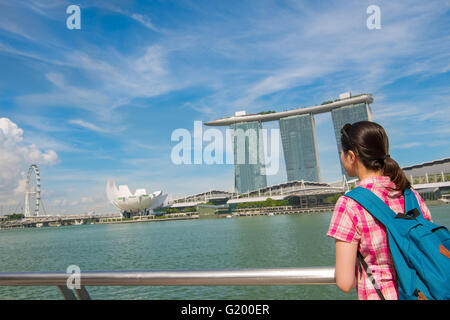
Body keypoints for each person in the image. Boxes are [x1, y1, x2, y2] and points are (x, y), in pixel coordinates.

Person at [327, 121, 433, 300]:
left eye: (342, 153)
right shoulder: (410, 194)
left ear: (351, 156)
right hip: (424, 293)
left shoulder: (349, 203)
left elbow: (345, 282)